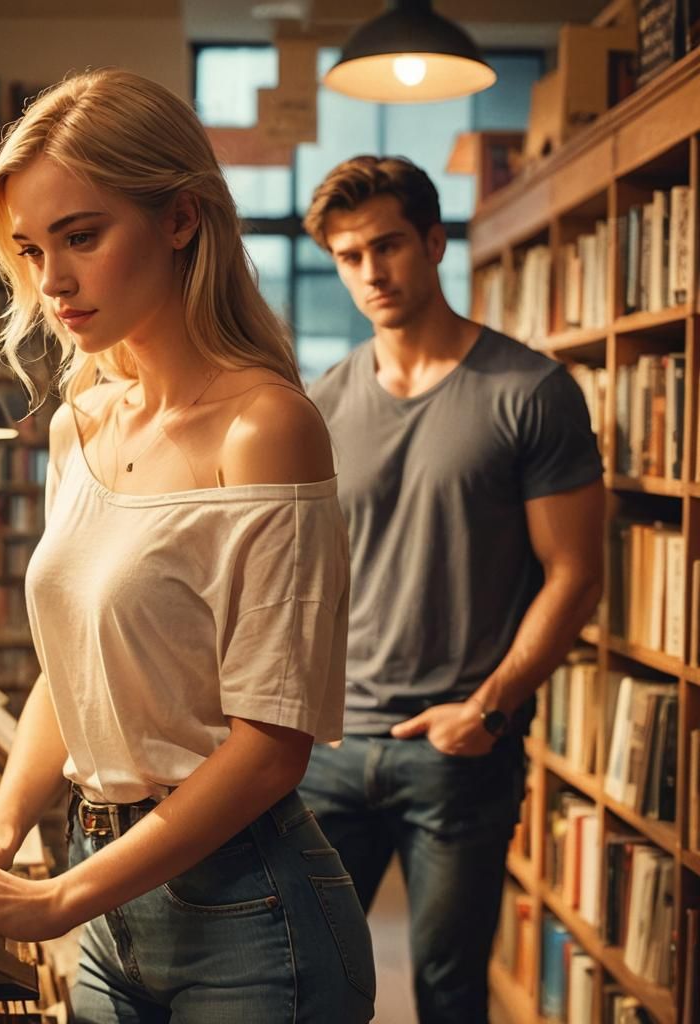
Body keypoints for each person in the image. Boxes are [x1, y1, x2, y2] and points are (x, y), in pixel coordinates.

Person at [0, 69, 375, 1024]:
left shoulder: (267, 428)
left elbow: (274, 749)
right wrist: (0, 830)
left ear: (182, 218)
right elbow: (76, 673)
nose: (52, 282)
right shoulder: (81, 422)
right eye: (30, 249)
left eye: (82, 235)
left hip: (253, 914)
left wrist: (58, 898)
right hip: (107, 904)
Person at [296, 155, 604, 1024]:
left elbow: (577, 575)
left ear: (434, 243)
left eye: (388, 245)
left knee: (447, 990)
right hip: (329, 746)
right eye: (349, 256)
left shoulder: (531, 391)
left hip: (458, 752)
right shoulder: (323, 402)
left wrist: (490, 710)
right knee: (305, 984)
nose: (370, 272)